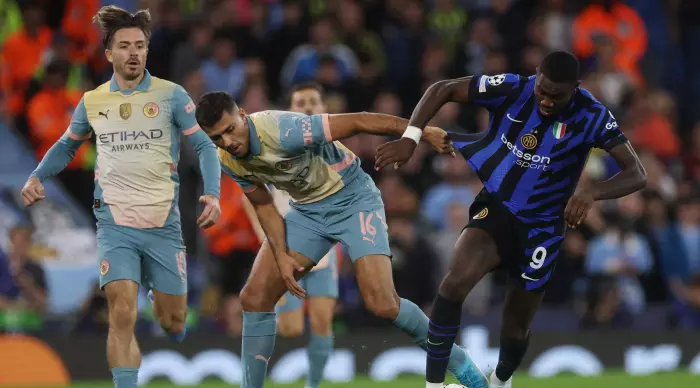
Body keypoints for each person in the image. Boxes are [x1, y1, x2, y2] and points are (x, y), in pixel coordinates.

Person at [375, 51, 647, 388]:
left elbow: (636, 173)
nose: (546, 101)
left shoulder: (592, 115)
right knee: (453, 284)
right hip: (498, 207)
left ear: (575, 88)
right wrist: (410, 138)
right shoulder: (513, 88)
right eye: (543, 91)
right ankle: (434, 386)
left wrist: (592, 193)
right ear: (536, 76)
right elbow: (442, 88)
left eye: (557, 96)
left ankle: (501, 381)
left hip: (544, 228)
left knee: (515, 325)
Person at [195, 91, 488, 388]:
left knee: (383, 303)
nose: (227, 142)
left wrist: (422, 133)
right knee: (254, 298)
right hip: (308, 211)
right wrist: (281, 254)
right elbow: (263, 203)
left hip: (353, 200)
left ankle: (460, 364)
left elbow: (359, 121)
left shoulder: (285, 131)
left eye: (230, 130)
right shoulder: (228, 158)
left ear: (243, 115)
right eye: (217, 137)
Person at [20, 6, 221, 388]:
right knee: (122, 311)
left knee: (172, 320)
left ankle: (166, 305)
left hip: (163, 224)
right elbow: (66, 146)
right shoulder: (93, 101)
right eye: (125, 46)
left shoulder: (172, 96)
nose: (133, 53)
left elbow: (207, 148)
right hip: (115, 226)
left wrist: (212, 195)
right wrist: (37, 175)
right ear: (109, 53)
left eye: (140, 46)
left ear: (147, 51)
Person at [247, 82, 339, 388]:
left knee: (323, 320)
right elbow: (253, 194)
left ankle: (313, 385)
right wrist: (268, 241)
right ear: (290, 111)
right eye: (301, 103)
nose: (309, 107)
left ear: (324, 109)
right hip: (287, 249)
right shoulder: (275, 146)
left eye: (314, 101)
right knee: (290, 328)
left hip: (325, 250)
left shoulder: (336, 149)